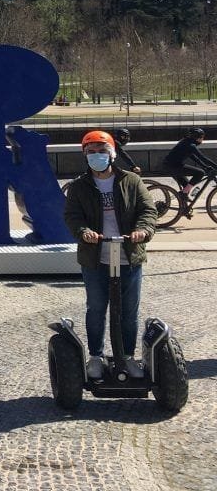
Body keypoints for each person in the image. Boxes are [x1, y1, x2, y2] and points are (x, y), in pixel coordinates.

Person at [64, 130, 156, 379]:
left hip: (128, 255)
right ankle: (96, 356)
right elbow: (72, 216)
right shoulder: (79, 186)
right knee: (96, 308)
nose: (97, 156)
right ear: (85, 155)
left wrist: (143, 230)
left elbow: (148, 210)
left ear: (112, 154)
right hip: (96, 258)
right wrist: (83, 231)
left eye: (102, 151)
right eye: (91, 152)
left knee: (129, 310)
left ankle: (127, 357)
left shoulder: (131, 181)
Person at [162, 127, 217, 214]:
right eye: (202, 137)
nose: (203, 139)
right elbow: (202, 157)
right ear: (198, 137)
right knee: (200, 173)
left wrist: (205, 166)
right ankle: (183, 195)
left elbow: (195, 158)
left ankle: (184, 209)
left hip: (170, 165)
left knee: (187, 185)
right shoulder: (191, 145)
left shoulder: (187, 142)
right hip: (173, 166)